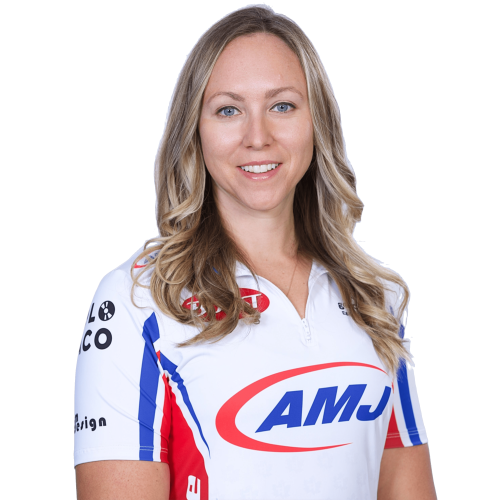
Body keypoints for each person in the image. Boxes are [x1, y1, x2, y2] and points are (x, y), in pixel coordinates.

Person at [74, 4, 436, 499]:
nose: (258, 137)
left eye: (282, 106)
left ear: (317, 122)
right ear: (195, 129)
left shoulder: (374, 296)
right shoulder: (139, 300)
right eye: (229, 110)